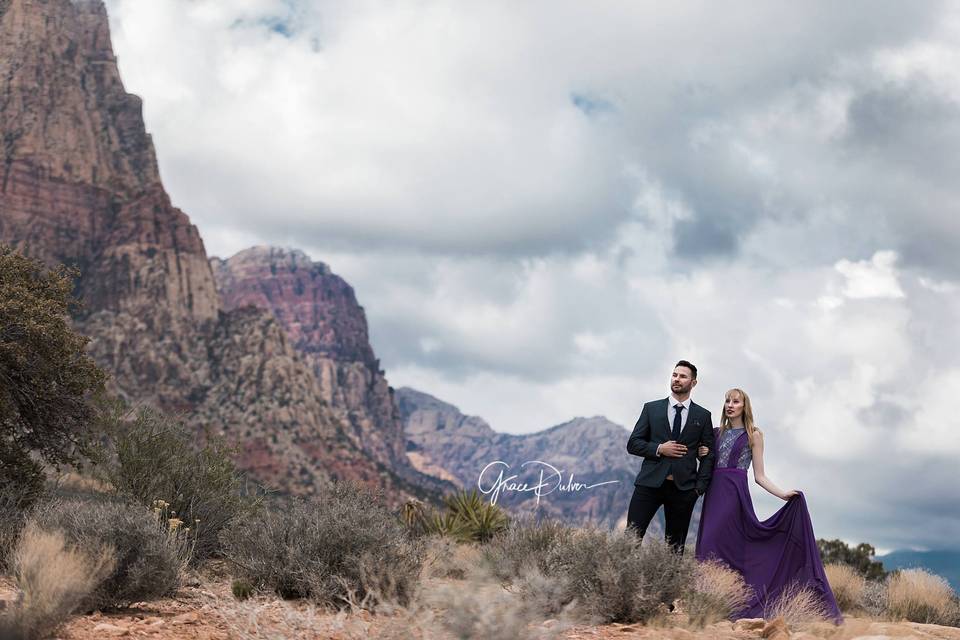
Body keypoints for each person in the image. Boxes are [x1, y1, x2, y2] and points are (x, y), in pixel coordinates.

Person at [695, 388, 842, 623]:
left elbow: (759, 476)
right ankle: (708, 604)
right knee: (708, 544)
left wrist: (783, 494)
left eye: (736, 401)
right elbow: (705, 462)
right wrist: (701, 452)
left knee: (729, 546)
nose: (730, 405)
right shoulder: (715, 433)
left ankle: (737, 604)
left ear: (745, 406)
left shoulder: (754, 435)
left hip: (734, 497)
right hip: (714, 495)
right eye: (727, 401)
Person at [626, 360, 716, 553]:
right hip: (648, 485)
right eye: (675, 375)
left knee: (675, 550)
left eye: (683, 376)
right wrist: (659, 448)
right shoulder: (651, 409)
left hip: (683, 490)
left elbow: (708, 455)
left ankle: (671, 584)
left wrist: (699, 488)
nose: (677, 379)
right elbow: (633, 444)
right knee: (630, 541)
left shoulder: (703, 416)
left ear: (693, 383)